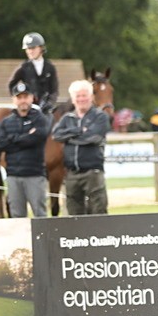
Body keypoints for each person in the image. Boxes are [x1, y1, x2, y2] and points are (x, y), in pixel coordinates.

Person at [51, 79, 110, 215]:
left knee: (98, 211)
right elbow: (56, 135)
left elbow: (94, 138)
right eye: (78, 96)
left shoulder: (100, 116)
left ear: (91, 97)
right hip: (72, 174)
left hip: (93, 172)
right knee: (74, 215)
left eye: (84, 95)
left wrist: (69, 138)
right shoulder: (67, 118)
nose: (81, 99)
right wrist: (78, 131)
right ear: (73, 99)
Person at [0, 81, 50, 217]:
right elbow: (0, 144)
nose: (23, 100)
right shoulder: (7, 122)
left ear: (31, 98)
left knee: (40, 214)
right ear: (14, 100)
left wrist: (12, 139)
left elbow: (38, 137)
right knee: (17, 216)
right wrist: (25, 137)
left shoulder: (40, 119)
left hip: (35, 175)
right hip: (13, 176)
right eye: (19, 97)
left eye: (26, 97)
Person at [10, 32, 59, 114]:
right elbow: (11, 84)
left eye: (33, 48)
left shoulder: (50, 67)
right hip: (29, 108)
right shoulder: (23, 67)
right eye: (28, 49)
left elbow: (54, 90)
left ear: (41, 48)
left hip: (46, 108)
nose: (30, 51)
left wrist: (50, 102)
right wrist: (20, 99)